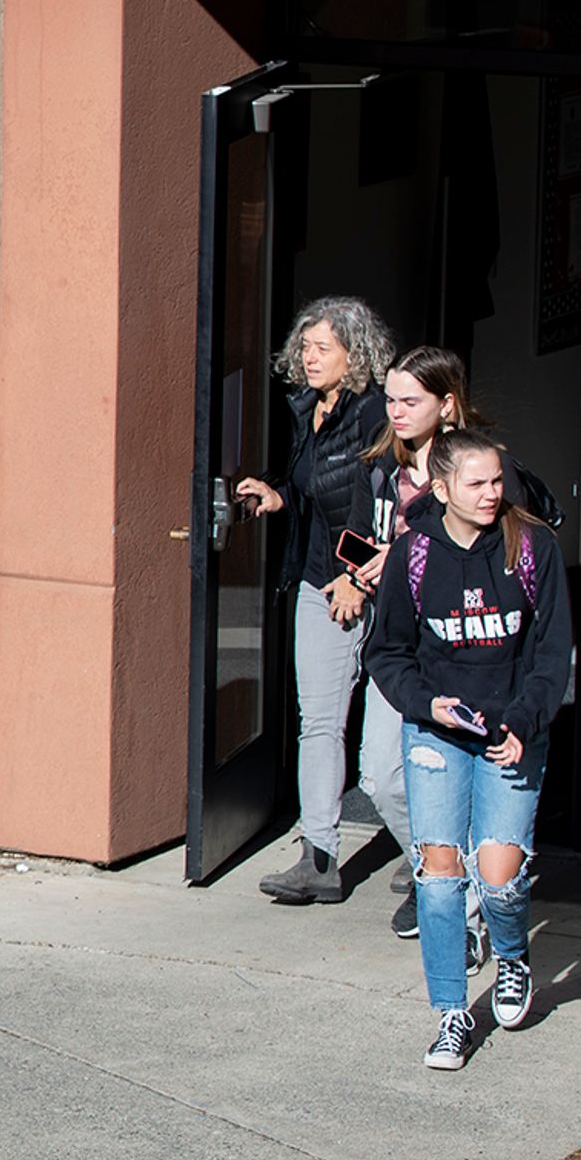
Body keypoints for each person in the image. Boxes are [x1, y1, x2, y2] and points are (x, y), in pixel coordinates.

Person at [364, 427, 572, 1071]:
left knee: (501, 876)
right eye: (476, 483)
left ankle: (511, 958)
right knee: (440, 871)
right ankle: (451, 1013)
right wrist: (426, 705)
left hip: (509, 731)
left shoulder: (532, 545)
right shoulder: (415, 555)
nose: (491, 494)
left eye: (496, 481)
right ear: (443, 487)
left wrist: (524, 722)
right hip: (436, 731)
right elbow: (388, 651)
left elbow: (550, 654)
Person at [232, 297, 394, 904]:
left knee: (387, 744)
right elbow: (315, 490)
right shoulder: (311, 409)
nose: (309, 357)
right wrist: (277, 494)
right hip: (314, 579)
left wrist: (355, 575)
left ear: (356, 354)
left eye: (322, 348)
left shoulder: (375, 413)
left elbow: (372, 500)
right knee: (319, 722)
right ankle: (318, 858)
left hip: (362, 585)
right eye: (306, 346)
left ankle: (435, 857)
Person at [345, 347, 476, 930]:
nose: (395, 411)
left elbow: (493, 551)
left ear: (446, 405)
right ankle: (438, 868)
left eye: (410, 401)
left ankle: (463, 888)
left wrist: (405, 553)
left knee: (453, 772)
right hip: (396, 644)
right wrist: (355, 573)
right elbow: (356, 533)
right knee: (380, 773)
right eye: (391, 399)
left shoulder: (475, 472)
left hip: (459, 647)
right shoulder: (380, 469)